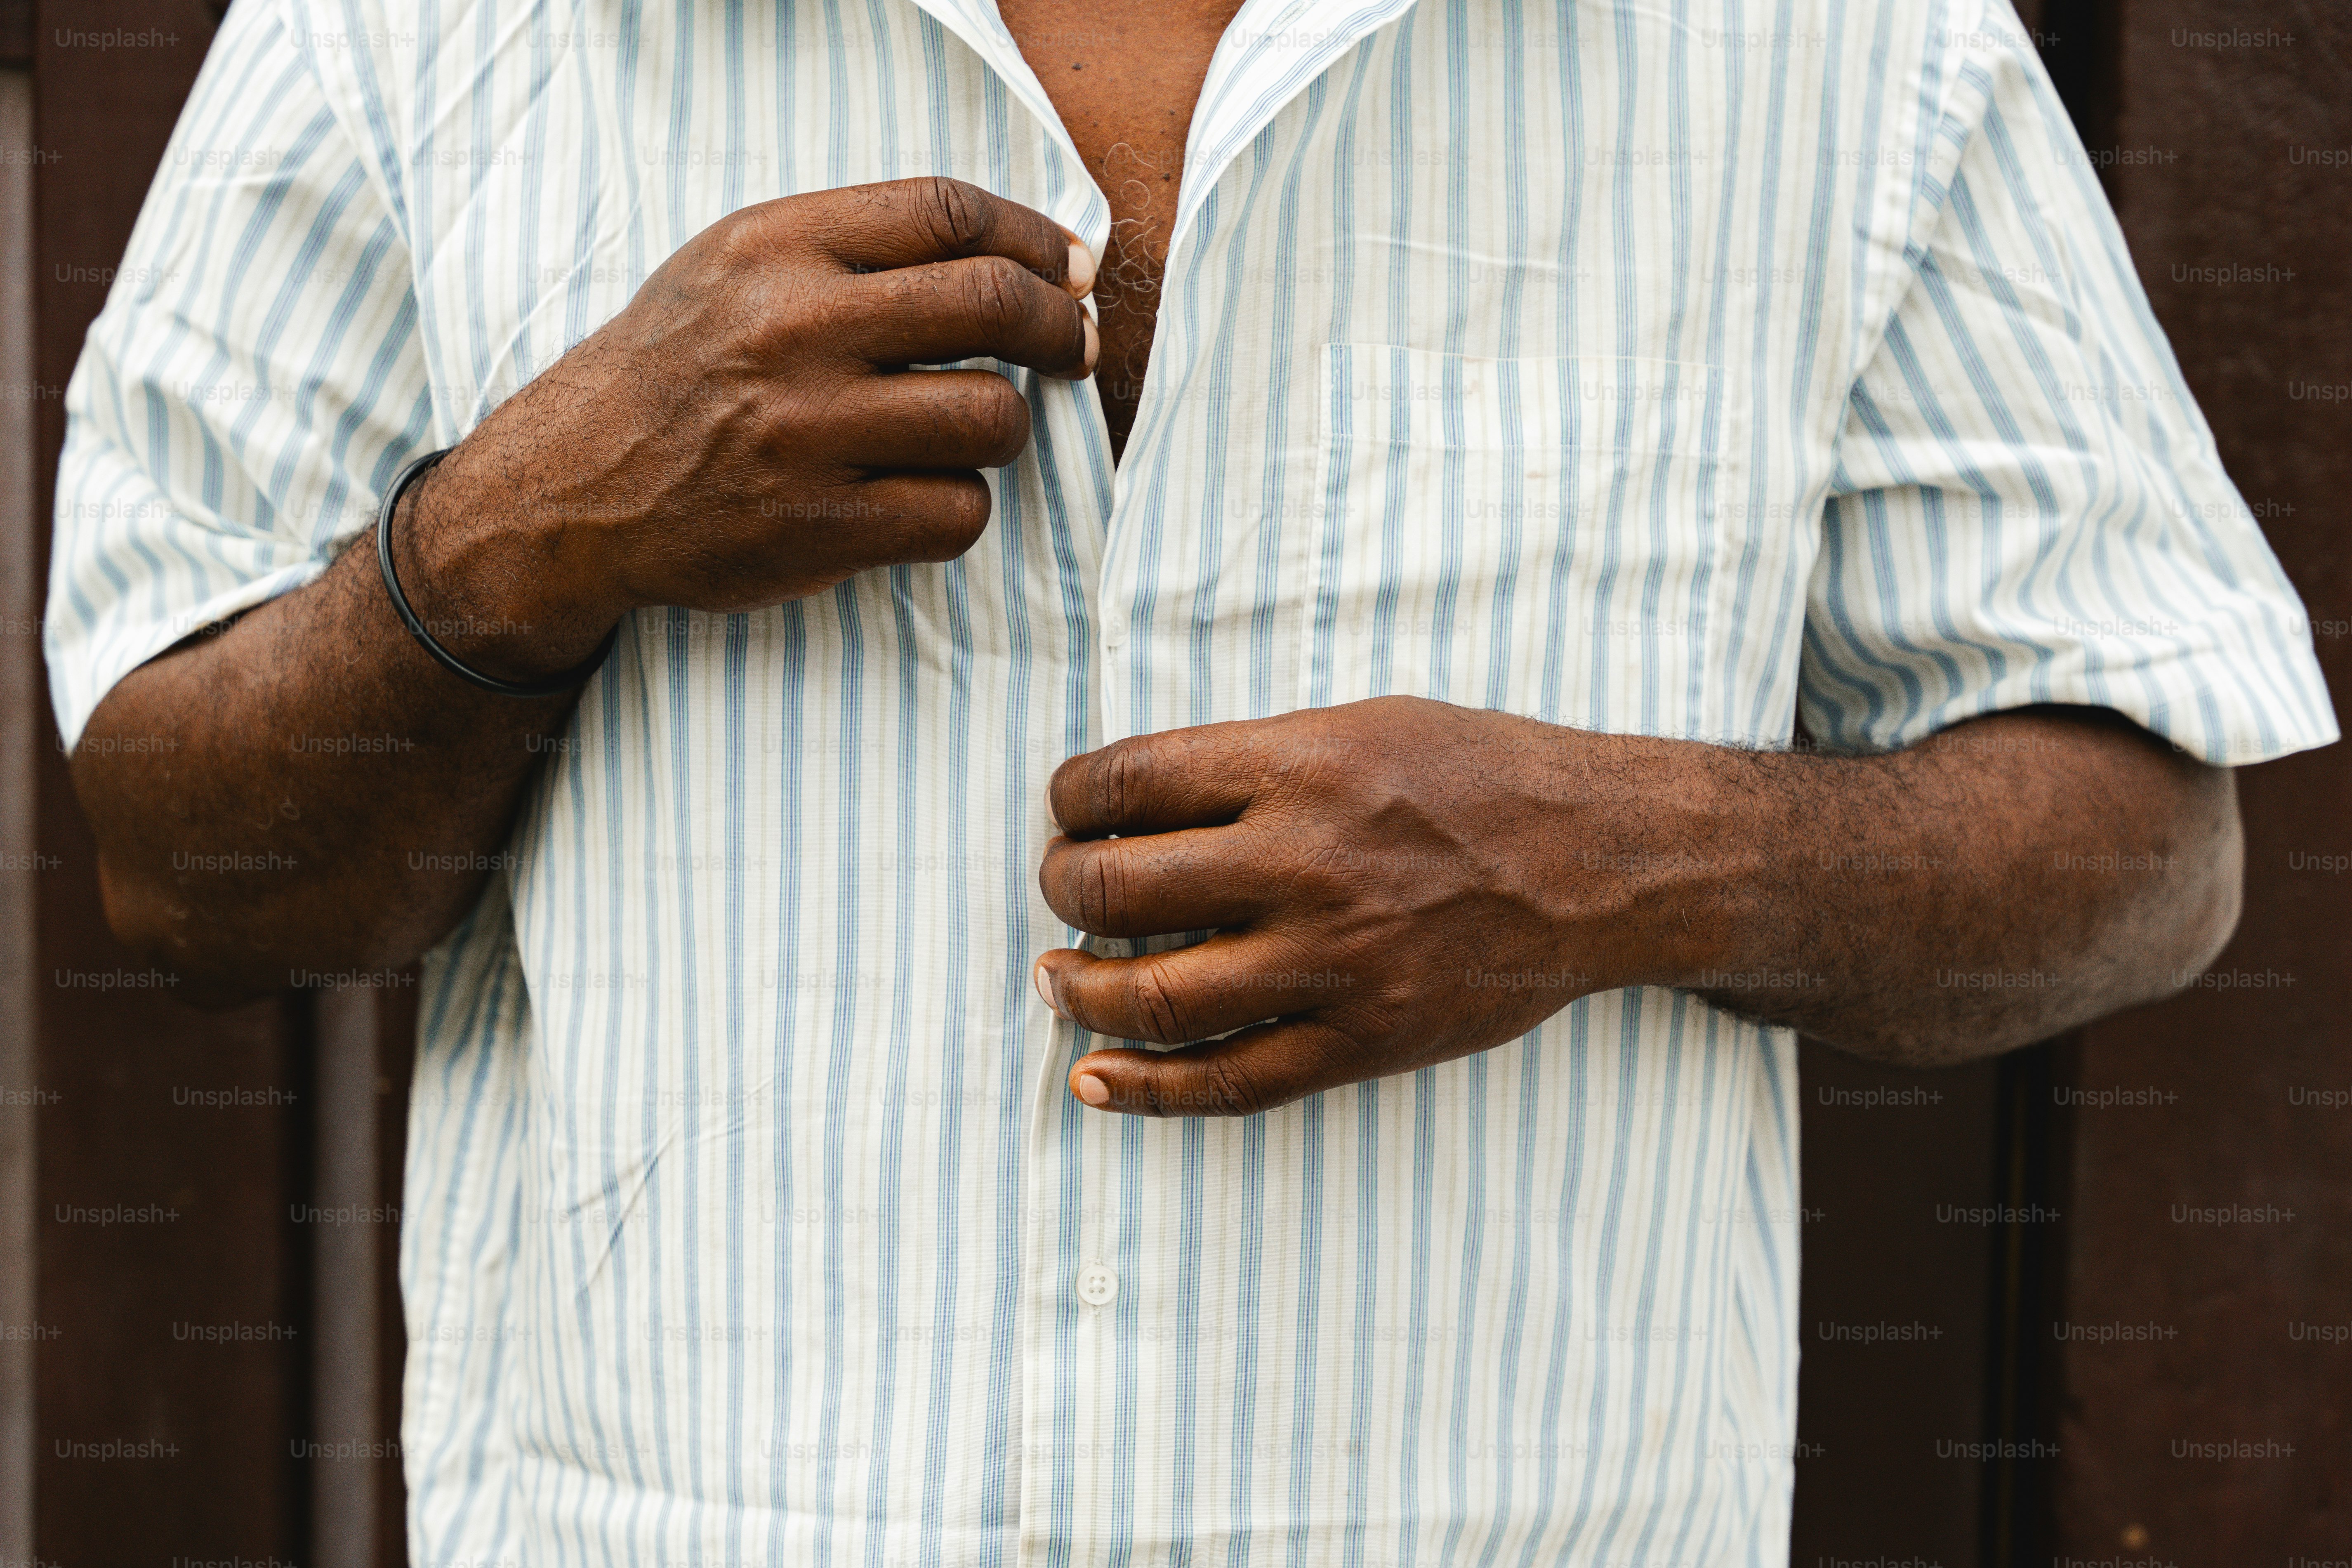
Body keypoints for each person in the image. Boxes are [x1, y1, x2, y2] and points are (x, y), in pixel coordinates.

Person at [47, 0, 2331, 1559]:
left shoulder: (1827, 42)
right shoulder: (427, 26)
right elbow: (183, 857)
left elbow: (2142, 832)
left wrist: (1616, 859)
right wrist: (526, 524)